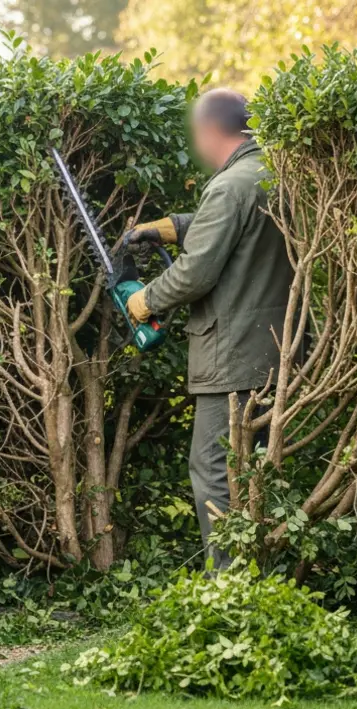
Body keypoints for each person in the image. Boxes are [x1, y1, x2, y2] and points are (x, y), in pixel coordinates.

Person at [120, 88, 292, 568]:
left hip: (231, 356)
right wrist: (170, 226)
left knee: (216, 469)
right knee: (258, 472)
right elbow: (235, 224)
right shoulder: (270, 174)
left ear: (212, 131)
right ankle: (262, 579)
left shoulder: (229, 185)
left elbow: (196, 273)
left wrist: (144, 299)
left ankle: (227, 586)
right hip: (274, 349)